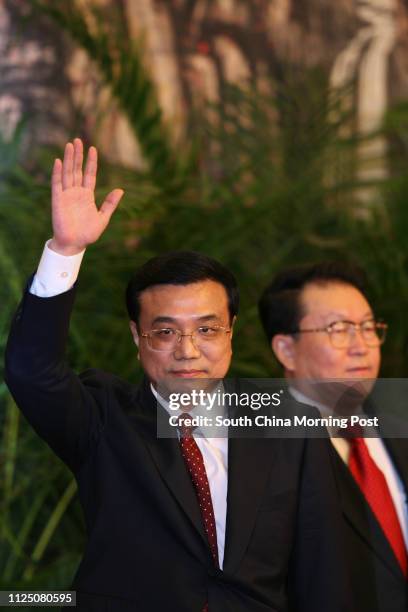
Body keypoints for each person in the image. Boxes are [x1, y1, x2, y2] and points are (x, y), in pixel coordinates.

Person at [6, 139, 352, 612]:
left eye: (207, 329)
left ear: (232, 331)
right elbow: (31, 373)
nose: (187, 350)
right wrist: (66, 250)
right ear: (137, 335)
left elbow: (324, 574)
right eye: (165, 331)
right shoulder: (103, 419)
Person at [259, 262, 408, 612]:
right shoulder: (258, 456)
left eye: (369, 327)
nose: (362, 345)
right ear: (286, 350)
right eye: (339, 329)